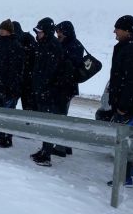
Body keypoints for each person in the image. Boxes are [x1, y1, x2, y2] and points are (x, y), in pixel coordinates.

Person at [106, 16, 133, 187]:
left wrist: (123, 106)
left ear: (126, 31)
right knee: (128, 138)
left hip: (130, 105)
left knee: (123, 139)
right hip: (130, 103)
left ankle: (124, 178)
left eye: (117, 29)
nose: (114, 32)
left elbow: (130, 81)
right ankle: (129, 171)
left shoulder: (132, 49)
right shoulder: (129, 46)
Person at [30, 17, 65, 167]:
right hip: (43, 91)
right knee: (44, 123)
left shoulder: (52, 46)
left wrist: (45, 89)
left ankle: (47, 155)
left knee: (48, 124)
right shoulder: (44, 45)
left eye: (39, 32)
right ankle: (44, 150)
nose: (37, 34)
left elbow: (50, 72)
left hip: (50, 93)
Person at [0, 20, 23, 148]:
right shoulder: (0, 43)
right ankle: (1, 135)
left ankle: (8, 138)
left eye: (3, 29)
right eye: (0, 29)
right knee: (0, 113)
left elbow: (15, 70)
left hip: (9, 87)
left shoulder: (15, 45)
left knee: (8, 114)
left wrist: (11, 86)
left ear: (9, 31)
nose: (1, 31)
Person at [51, 21, 84, 157]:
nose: (57, 34)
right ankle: (65, 145)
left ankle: (60, 148)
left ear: (66, 32)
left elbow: (68, 66)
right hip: (65, 87)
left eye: (59, 31)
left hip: (65, 87)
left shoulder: (72, 46)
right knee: (61, 116)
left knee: (60, 117)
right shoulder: (73, 44)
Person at [13, 21, 37, 111]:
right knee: (26, 106)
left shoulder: (18, 39)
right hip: (26, 79)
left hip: (23, 79)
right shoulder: (27, 37)